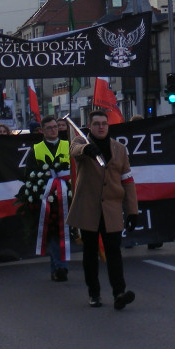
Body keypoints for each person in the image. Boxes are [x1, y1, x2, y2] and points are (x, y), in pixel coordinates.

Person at [65, 109, 139, 309]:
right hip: (89, 208)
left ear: (108, 125)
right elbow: (74, 151)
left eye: (104, 123)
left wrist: (133, 210)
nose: (100, 127)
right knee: (90, 253)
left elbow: (127, 180)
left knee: (114, 252)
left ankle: (119, 293)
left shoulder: (119, 149)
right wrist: (86, 150)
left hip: (112, 208)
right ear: (90, 126)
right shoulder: (81, 143)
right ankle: (94, 293)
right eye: (96, 124)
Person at [32, 116, 70, 281]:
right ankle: (61, 267)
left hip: (67, 196)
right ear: (43, 130)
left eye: (55, 127)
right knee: (54, 232)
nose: (53, 130)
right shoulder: (36, 149)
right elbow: (30, 173)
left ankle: (56, 269)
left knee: (63, 232)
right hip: (47, 198)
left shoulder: (68, 145)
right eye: (49, 128)